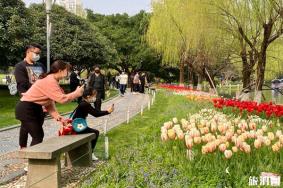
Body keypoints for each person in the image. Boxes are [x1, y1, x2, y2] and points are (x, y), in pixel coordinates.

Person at [15, 60, 84, 148]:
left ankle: (24, 151)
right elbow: (62, 99)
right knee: (38, 136)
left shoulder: (52, 80)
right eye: (67, 70)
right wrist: (76, 93)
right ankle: (33, 159)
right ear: (60, 70)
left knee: (32, 132)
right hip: (26, 108)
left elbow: (48, 103)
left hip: (34, 108)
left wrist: (58, 118)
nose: (68, 73)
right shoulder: (50, 80)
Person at [71, 87, 114, 160]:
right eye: (94, 96)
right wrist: (108, 111)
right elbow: (96, 114)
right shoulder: (85, 104)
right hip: (77, 127)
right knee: (96, 132)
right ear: (88, 96)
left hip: (78, 125)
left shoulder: (83, 102)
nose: (95, 98)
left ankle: (89, 152)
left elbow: (95, 112)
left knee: (93, 132)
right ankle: (90, 153)